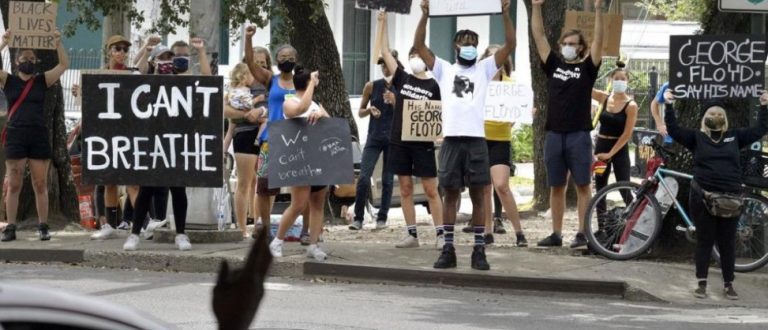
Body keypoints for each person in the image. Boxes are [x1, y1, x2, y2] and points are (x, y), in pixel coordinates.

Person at [413, 0, 515, 270]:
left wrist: (505, 15)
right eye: (463, 41)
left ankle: (479, 250)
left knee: (480, 194)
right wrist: (424, 17)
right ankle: (448, 248)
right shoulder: (444, 69)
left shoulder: (485, 69)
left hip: (476, 140)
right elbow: (420, 47)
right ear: (456, 46)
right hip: (452, 140)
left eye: (472, 42)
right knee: (450, 194)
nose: (468, 45)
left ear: (477, 47)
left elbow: (510, 46)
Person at [663, 89, 768, 300]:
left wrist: (764, 106)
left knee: (727, 241)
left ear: (726, 118)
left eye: (720, 114)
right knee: (705, 239)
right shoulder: (696, 137)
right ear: (704, 117)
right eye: (711, 114)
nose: (716, 117)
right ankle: (702, 282)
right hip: (702, 197)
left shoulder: (735, 136)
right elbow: (673, 129)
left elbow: (760, 129)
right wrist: (668, 105)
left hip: (730, 198)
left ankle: (729, 284)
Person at [122, 37, 210, 251]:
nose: (167, 62)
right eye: (162, 59)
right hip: (153, 142)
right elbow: (135, 70)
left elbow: (208, 80)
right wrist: (147, 50)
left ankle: (180, 233)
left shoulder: (183, 81)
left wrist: (200, 53)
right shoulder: (145, 83)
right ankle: (134, 234)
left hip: (177, 142)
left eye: (170, 59)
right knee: (147, 189)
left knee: (178, 188)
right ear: (154, 62)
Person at [531, 0, 604, 248]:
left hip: (579, 135)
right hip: (554, 134)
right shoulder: (554, 65)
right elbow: (539, 36)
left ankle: (583, 233)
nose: (568, 47)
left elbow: (599, 43)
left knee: (583, 184)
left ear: (581, 48)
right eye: (565, 44)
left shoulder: (588, 68)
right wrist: (536, 7)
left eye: (573, 44)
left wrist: (597, 11)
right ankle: (556, 234)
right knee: (556, 186)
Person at [379, 12, 444, 249]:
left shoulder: (434, 85)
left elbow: (438, 113)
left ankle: (440, 234)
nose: (415, 58)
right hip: (400, 141)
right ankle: (412, 234)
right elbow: (385, 52)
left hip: (423, 143)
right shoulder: (403, 78)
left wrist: (439, 132)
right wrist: (383, 23)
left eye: (418, 54)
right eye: (411, 55)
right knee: (405, 188)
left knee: (430, 189)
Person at [0, 30, 69, 242]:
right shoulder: (8, 80)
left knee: (40, 184)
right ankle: (11, 227)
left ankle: (43, 226)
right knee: (14, 183)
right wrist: (3, 43)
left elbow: (64, 65)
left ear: (36, 62)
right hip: (16, 136)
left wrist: (58, 43)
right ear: (16, 60)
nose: (28, 61)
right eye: (24, 58)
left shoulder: (41, 81)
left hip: (38, 135)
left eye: (31, 58)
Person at [244, 27, 310, 243]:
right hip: (271, 141)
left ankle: (306, 230)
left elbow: (311, 102)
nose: (286, 60)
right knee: (264, 188)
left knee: (302, 188)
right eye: (282, 57)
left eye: (290, 57)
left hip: (298, 141)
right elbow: (252, 65)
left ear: (296, 60)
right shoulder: (271, 79)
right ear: (277, 60)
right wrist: (248, 39)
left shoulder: (303, 80)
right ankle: (264, 228)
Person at [86, 34, 151, 240]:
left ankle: (143, 223)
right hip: (106, 132)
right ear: (109, 51)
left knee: (132, 181)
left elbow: (143, 73)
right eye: (117, 48)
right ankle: (109, 225)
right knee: (109, 181)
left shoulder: (130, 74)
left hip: (128, 131)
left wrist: (147, 50)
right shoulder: (97, 75)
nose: (121, 53)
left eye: (125, 49)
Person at [268, 67, 331, 261]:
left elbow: (330, 122)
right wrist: (312, 83)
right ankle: (277, 241)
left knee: (318, 204)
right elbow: (300, 110)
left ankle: (313, 244)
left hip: (318, 158)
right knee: (298, 204)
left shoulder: (316, 104)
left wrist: (320, 115)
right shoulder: (290, 102)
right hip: (300, 159)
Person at [475, 44, 527, 246]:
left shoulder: (510, 86)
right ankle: (487, 231)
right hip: (479, 138)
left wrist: (523, 113)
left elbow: (514, 117)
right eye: (490, 58)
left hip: (501, 140)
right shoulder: (479, 84)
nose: (495, 62)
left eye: (499, 58)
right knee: (485, 188)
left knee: (502, 186)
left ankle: (519, 232)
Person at [348, 50, 397, 231]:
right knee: (363, 177)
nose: (385, 68)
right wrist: (370, 110)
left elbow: (407, 111)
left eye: (387, 64)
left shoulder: (402, 85)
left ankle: (382, 217)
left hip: (393, 138)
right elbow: (360, 111)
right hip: (375, 136)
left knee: (388, 179)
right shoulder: (371, 86)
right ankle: (358, 218)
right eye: (382, 64)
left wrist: (394, 101)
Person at [590, 61, 638, 224]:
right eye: (616, 78)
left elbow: (627, 134)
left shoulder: (631, 105)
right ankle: (601, 226)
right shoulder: (604, 97)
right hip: (601, 147)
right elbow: (586, 87)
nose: (619, 81)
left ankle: (634, 222)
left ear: (627, 81)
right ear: (610, 80)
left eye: (623, 79)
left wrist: (611, 154)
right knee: (600, 186)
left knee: (623, 185)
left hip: (619, 149)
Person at [225, 63, 267, 239]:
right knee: (244, 182)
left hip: (266, 135)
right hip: (244, 134)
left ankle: (259, 224)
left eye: (263, 64)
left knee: (263, 183)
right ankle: (242, 228)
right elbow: (228, 115)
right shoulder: (238, 91)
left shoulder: (271, 85)